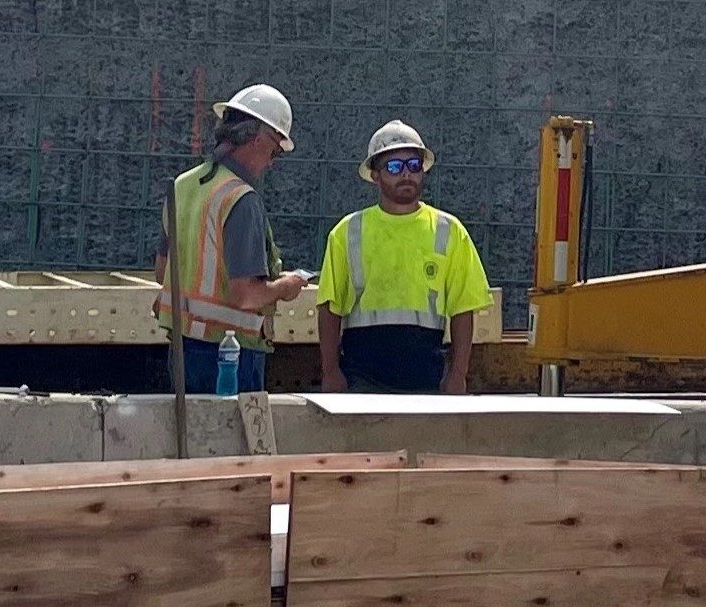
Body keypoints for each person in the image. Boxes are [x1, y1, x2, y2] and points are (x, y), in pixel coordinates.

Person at [154, 83, 311, 395]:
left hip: (183, 349)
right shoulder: (241, 198)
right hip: (230, 355)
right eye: (275, 149)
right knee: (233, 443)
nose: (273, 161)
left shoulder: (183, 186)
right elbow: (245, 296)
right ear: (257, 138)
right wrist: (286, 286)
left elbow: (162, 272)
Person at [315, 121, 493, 393]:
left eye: (414, 165)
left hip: (426, 375)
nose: (406, 175)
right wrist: (330, 371)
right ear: (375, 175)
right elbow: (330, 307)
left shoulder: (450, 231)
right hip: (362, 377)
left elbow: (463, 309)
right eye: (394, 167)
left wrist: (458, 374)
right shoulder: (346, 232)